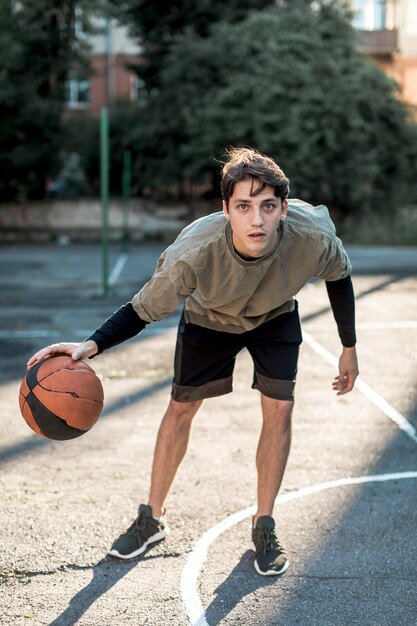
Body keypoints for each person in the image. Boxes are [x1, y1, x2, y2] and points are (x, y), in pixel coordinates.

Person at [27, 147, 358, 576]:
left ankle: (264, 523)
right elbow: (142, 309)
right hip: (209, 318)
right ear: (225, 210)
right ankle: (152, 517)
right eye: (243, 207)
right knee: (180, 408)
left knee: (280, 409)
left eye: (267, 206)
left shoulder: (312, 238)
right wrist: (91, 345)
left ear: (282, 209)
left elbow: (340, 278)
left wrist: (348, 347)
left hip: (274, 315)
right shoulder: (195, 252)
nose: (256, 220)